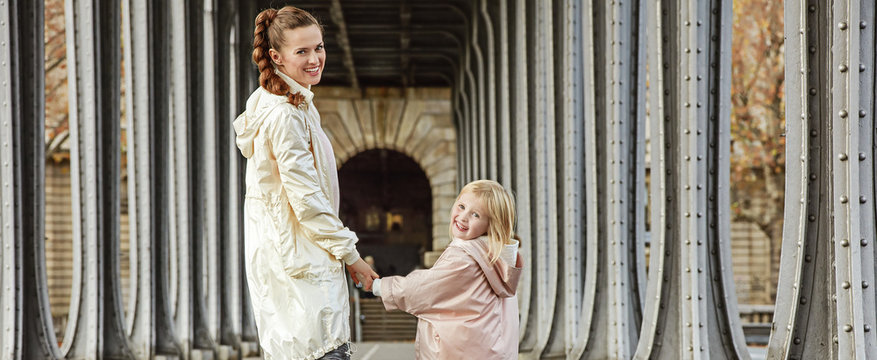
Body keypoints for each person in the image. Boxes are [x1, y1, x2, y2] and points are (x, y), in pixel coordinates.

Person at [233, 5, 378, 360]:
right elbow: (308, 200)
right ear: (276, 57)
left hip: (294, 260)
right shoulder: (285, 115)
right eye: (302, 51)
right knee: (322, 347)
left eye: (319, 47)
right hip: (301, 264)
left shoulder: (292, 103)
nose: (315, 59)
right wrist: (352, 255)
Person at [370, 180, 523, 359]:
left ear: (491, 224)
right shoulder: (497, 258)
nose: (463, 217)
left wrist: (379, 286)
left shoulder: (465, 257)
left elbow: (424, 288)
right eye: (461, 206)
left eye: (475, 215)